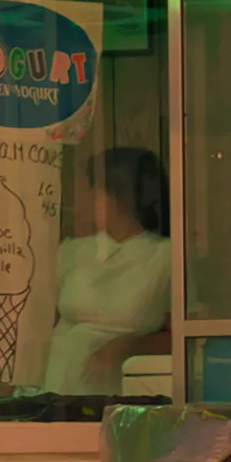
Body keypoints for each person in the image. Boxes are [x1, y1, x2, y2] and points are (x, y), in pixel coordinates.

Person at [45, 145, 173, 397]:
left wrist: (125, 345)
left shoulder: (165, 256)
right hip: (55, 389)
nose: (86, 199)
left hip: (117, 395)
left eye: (94, 191)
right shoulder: (72, 251)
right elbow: (42, 327)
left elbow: (179, 339)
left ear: (117, 198)